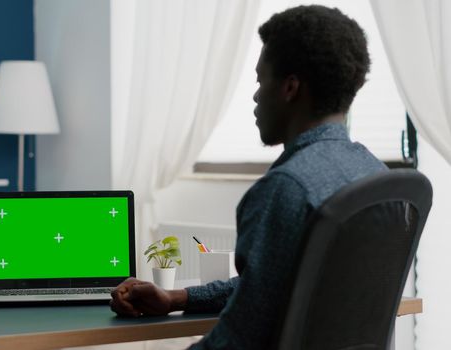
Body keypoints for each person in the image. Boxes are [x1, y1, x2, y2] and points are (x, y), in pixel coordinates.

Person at [110, 5, 388, 349]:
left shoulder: (285, 190)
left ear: (290, 88)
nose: (256, 96)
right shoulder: (375, 175)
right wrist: (177, 298)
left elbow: (238, 339)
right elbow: (272, 286)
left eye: (261, 80)